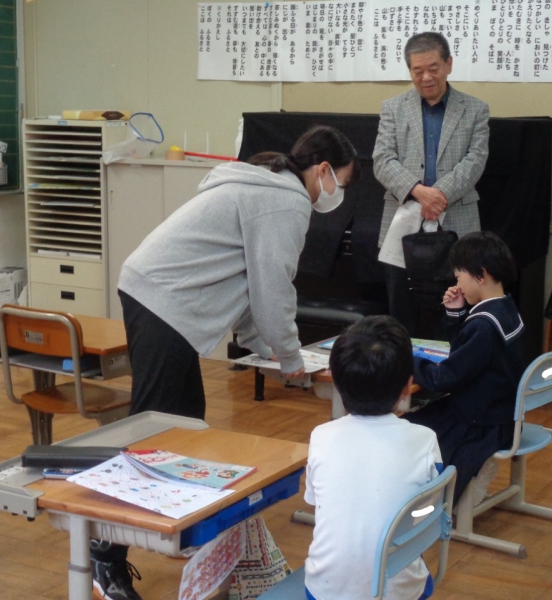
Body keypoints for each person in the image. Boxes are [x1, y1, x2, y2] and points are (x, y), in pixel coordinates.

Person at [91, 125, 361, 600]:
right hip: (163, 300)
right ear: (322, 170)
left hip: (154, 292)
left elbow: (249, 285)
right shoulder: (288, 201)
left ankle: (160, 533)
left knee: (181, 427)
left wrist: (272, 348)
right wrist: (293, 358)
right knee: (158, 431)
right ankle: (103, 555)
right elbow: (275, 290)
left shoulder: (263, 184)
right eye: (341, 179)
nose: (338, 191)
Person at [304, 315, 442, 600]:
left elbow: (316, 503)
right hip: (401, 591)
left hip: (325, 591)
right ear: (408, 385)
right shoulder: (425, 439)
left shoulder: (321, 436)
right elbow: (430, 513)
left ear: (337, 385)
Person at [373, 31, 490, 338]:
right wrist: (418, 191)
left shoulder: (475, 109)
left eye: (433, 68)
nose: (426, 77)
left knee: (457, 310)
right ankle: (404, 380)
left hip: (456, 222)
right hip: (403, 222)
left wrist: (440, 195)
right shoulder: (393, 108)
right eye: (417, 71)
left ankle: (449, 382)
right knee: (401, 311)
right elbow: (382, 160)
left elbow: (476, 160)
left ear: (449, 64)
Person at [403, 232, 524, 504]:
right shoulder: (505, 308)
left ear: (480, 275)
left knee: (407, 430)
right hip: (499, 414)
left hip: (479, 423)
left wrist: (403, 357)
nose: (457, 284)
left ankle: (470, 476)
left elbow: (443, 378)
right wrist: (457, 313)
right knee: (417, 421)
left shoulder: (482, 325)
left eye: (459, 277)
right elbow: (468, 357)